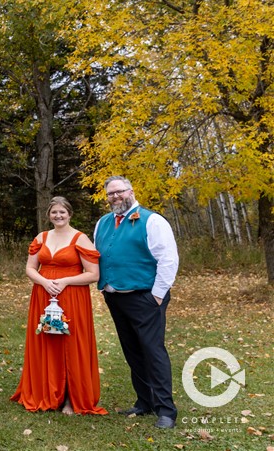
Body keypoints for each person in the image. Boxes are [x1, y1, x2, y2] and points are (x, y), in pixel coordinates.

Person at [94, 176, 179, 429]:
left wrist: (157, 294)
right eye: (110, 194)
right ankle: (145, 401)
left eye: (119, 192)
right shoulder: (103, 223)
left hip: (145, 296)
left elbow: (168, 259)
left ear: (130, 191)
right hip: (115, 296)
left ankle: (166, 410)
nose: (115, 197)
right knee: (132, 350)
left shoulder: (152, 220)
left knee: (152, 351)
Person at [11, 196, 107, 415]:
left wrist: (64, 282)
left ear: (69, 214)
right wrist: (44, 282)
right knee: (46, 341)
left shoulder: (80, 238)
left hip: (72, 296)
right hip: (43, 294)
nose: (58, 215)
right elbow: (30, 268)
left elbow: (93, 274)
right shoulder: (42, 237)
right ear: (49, 215)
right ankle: (46, 392)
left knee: (71, 345)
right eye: (54, 212)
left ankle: (72, 399)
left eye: (62, 212)